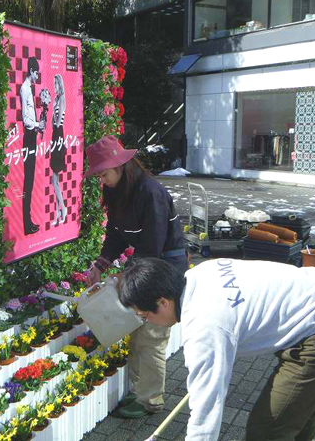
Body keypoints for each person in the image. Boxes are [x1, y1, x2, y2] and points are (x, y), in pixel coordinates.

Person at [118, 257, 315, 441]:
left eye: (144, 314)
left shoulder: (204, 325)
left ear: (162, 302)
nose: (146, 320)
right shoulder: (199, 273)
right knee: (297, 415)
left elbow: (207, 403)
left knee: (267, 428)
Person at [84, 134, 187, 418]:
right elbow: (115, 235)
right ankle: (141, 390)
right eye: (99, 176)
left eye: (104, 174)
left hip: (165, 267)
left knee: (151, 336)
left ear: (121, 167)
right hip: (145, 263)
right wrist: (100, 266)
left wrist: (124, 276)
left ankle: (150, 400)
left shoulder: (150, 192)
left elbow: (152, 246)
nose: (102, 180)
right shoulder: (117, 191)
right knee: (136, 331)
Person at [20, 57, 45, 235]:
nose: (38, 76)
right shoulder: (25, 89)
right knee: (27, 182)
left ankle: (28, 222)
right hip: (28, 137)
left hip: (31, 137)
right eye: (37, 73)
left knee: (30, 181)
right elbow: (26, 120)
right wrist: (38, 125)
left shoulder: (29, 88)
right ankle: (26, 224)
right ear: (31, 71)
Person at [50, 74, 67, 226]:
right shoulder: (56, 100)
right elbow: (51, 122)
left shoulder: (61, 99)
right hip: (55, 135)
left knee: (55, 179)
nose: (54, 86)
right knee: (54, 179)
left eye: (56, 84)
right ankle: (57, 214)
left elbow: (58, 120)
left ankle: (63, 208)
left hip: (59, 135)